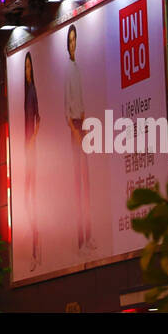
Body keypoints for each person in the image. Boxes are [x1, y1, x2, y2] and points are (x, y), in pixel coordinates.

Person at [63, 24, 94, 255]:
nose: (73, 44)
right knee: (77, 184)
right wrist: (76, 132)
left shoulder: (79, 68)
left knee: (86, 183)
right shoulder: (67, 69)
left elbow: (82, 101)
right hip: (75, 128)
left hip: (82, 125)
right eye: (70, 41)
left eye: (75, 40)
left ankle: (88, 236)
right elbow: (67, 108)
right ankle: (79, 240)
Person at [23, 52, 41, 271]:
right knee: (28, 196)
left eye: (29, 68)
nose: (28, 71)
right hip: (27, 149)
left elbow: (38, 118)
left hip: (32, 149)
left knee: (33, 196)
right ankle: (35, 246)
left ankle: (36, 250)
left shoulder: (33, 90)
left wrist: (32, 141)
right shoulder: (26, 90)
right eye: (26, 68)